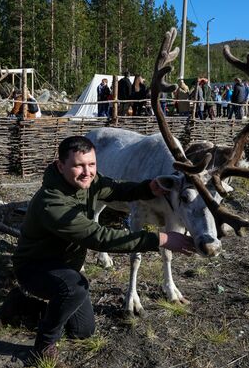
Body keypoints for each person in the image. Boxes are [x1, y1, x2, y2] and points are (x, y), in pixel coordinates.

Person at [11, 136, 195, 361]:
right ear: (60, 166)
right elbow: (100, 237)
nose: (87, 171)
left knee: (83, 330)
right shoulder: (53, 202)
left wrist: (149, 188)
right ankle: (43, 347)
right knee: (74, 288)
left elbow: (117, 190)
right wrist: (161, 239)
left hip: (66, 266)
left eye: (92, 164)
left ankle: (20, 304)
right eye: (78, 165)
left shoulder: (89, 181)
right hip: (36, 267)